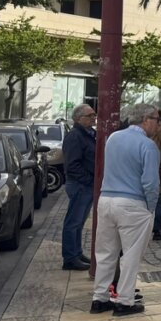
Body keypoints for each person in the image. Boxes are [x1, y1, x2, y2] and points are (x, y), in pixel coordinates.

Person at [89, 104, 160, 316]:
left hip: (107, 199)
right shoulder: (148, 145)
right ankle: (125, 300)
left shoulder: (114, 138)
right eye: (157, 119)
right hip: (133, 203)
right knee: (131, 254)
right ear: (146, 119)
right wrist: (151, 208)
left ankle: (100, 297)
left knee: (105, 252)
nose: (158, 124)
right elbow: (150, 183)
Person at [60, 104, 96, 271]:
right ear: (78, 118)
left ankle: (76, 252)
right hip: (80, 184)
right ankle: (70, 257)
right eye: (89, 116)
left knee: (79, 222)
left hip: (87, 184)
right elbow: (72, 165)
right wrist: (88, 180)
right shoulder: (75, 136)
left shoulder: (89, 134)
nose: (93, 118)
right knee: (73, 221)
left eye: (93, 115)